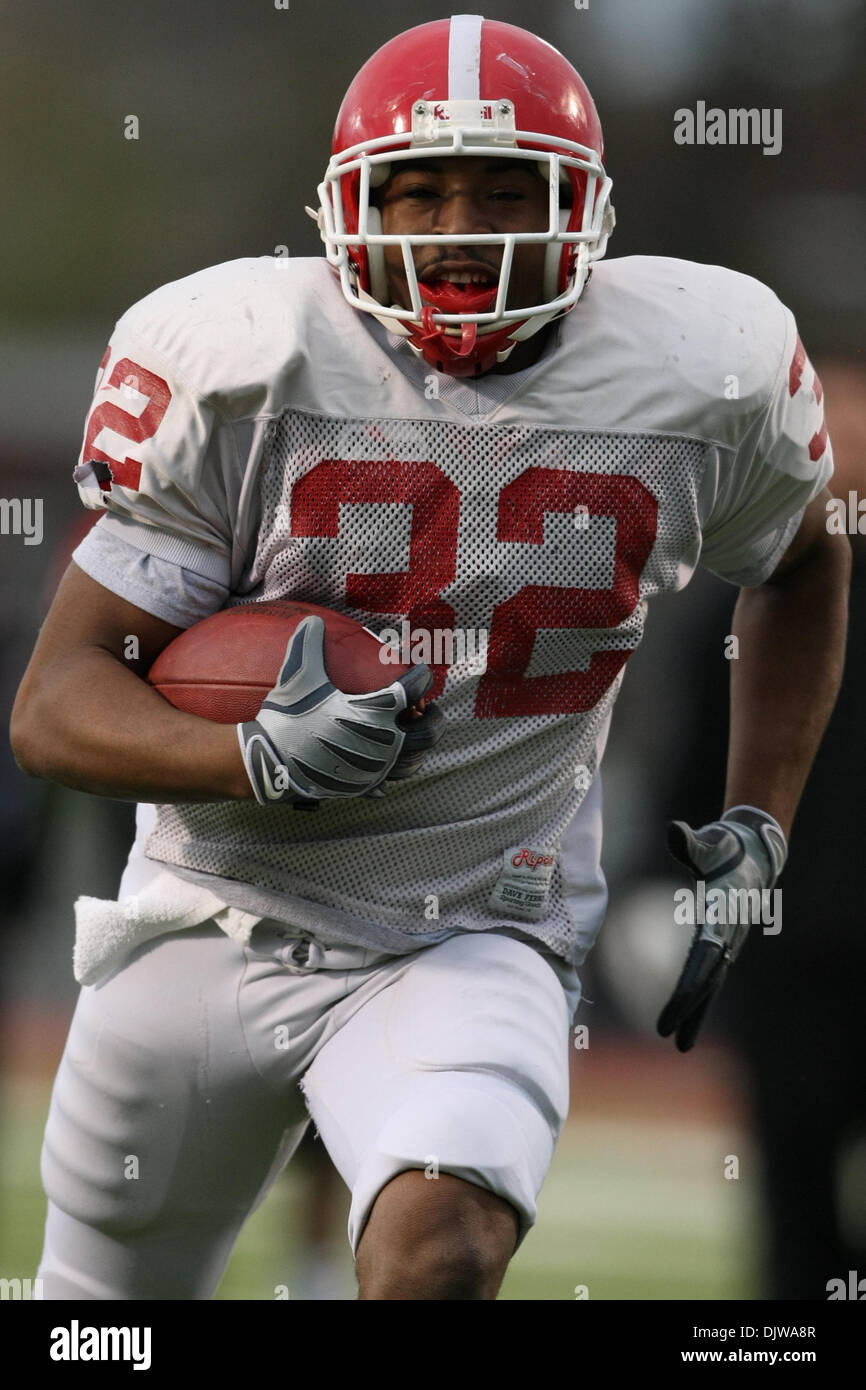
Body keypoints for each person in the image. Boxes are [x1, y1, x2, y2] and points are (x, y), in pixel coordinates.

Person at [10, 14, 849, 1301]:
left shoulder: (698, 369)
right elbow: (58, 703)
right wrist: (243, 752)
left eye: (506, 190)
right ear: (348, 209)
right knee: (100, 1318)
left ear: (585, 207)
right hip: (208, 918)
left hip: (473, 924)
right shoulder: (239, 360)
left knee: (439, 1252)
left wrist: (759, 816)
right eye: (418, 190)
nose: (461, 225)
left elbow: (799, 559)